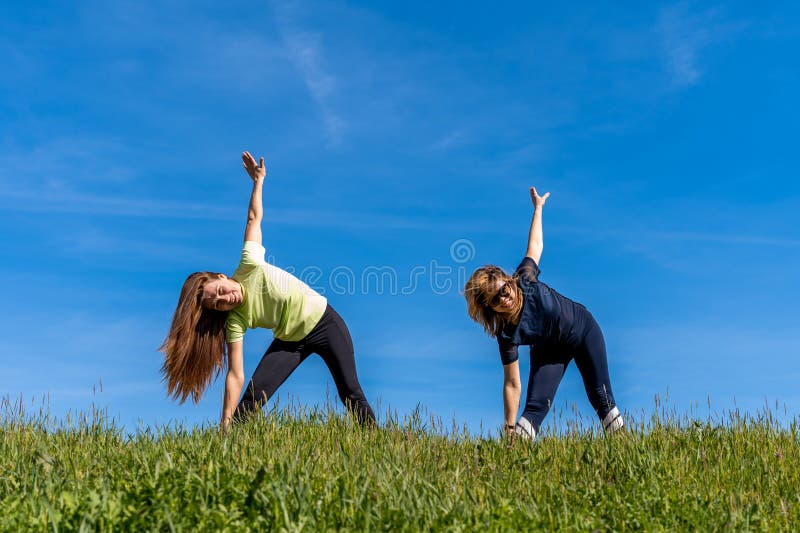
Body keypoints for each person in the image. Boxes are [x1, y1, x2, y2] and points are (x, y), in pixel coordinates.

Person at [160, 151, 376, 429]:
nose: (226, 300)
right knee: (250, 400)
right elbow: (235, 374)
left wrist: (258, 182)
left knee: (350, 391)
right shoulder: (235, 322)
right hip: (291, 340)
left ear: (223, 277)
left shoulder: (249, 264)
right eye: (218, 305)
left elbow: (253, 218)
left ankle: (377, 438)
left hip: (324, 322)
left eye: (220, 291)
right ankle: (228, 446)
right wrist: (225, 421)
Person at [463, 187, 623, 441]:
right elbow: (512, 384)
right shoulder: (506, 334)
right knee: (534, 410)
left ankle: (625, 449)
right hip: (550, 351)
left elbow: (535, 245)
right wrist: (508, 427)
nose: (506, 297)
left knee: (601, 399)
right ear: (489, 307)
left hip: (583, 331)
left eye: (505, 288)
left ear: (508, 280)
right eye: (496, 298)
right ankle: (513, 454)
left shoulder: (524, 279)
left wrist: (538, 208)